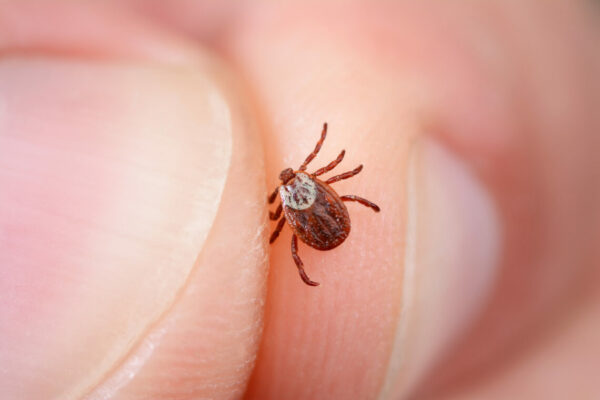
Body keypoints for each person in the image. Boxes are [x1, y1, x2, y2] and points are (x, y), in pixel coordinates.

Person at [0, 1, 598, 399]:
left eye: (300, 181)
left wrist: (306, 231)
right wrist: (340, 205)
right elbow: (337, 166)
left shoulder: (287, 204)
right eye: (296, 184)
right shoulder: (308, 187)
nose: (298, 181)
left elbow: (317, 189)